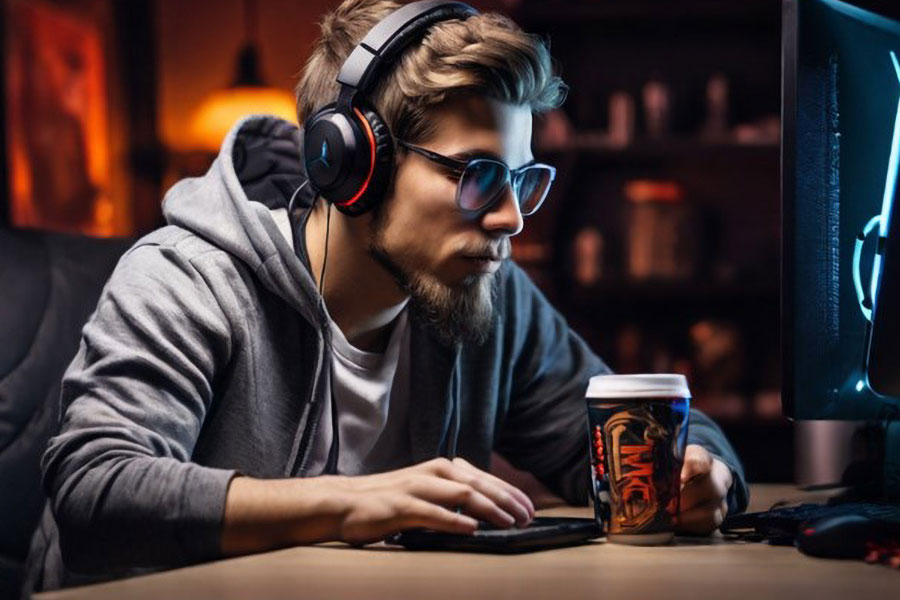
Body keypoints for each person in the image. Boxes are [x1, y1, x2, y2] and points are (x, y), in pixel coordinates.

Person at [25, 0, 749, 592]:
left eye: (523, 180)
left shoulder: (489, 294)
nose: (512, 219)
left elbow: (655, 435)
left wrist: (705, 477)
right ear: (353, 166)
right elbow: (96, 487)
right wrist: (353, 501)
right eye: (476, 176)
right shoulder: (189, 279)